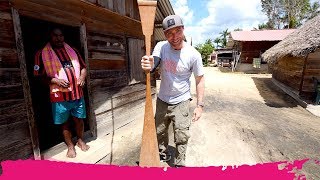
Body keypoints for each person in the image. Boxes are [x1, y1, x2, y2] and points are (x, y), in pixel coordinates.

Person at [141, 15, 205, 167]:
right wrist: (147, 65)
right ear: (164, 34)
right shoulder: (161, 47)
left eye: (177, 31)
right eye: (169, 33)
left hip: (182, 100)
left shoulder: (193, 54)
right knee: (160, 131)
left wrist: (199, 105)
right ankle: (163, 154)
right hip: (163, 99)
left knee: (182, 134)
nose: (174, 36)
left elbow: (199, 80)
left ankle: (179, 163)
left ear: (183, 29)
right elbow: (153, 63)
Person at [34, 28, 90, 158]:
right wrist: (55, 80)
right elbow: (37, 75)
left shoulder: (73, 50)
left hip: (77, 94)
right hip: (59, 96)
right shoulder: (41, 53)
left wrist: (82, 77)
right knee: (64, 123)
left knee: (79, 120)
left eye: (61, 35)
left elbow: (83, 67)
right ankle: (70, 146)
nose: (59, 38)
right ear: (50, 36)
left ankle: (80, 140)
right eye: (55, 36)